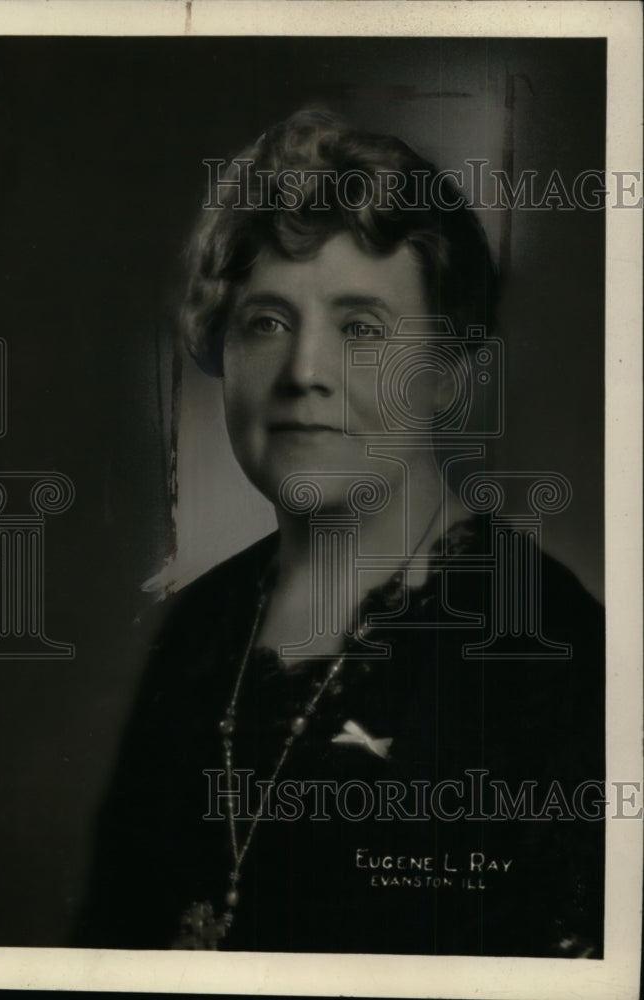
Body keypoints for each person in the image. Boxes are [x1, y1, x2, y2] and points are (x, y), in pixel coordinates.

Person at [73, 110, 604, 956]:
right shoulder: (199, 630)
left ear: (447, 377)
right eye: (266, 322)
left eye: (360, 329)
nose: (303, 373)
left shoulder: (548, 647)